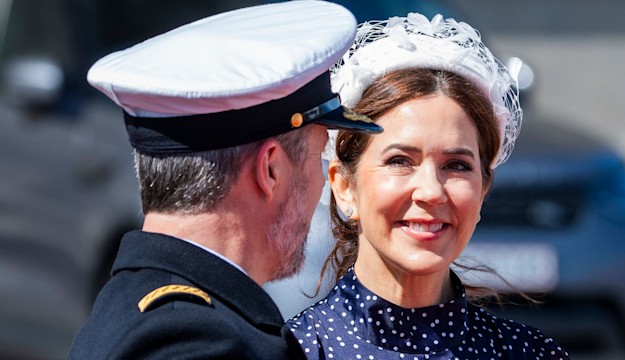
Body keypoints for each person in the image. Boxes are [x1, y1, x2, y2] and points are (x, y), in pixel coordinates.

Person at [67, 1, 383, 359]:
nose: (320, 183)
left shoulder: (139, 305)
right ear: (270, 169)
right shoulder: (203, 343)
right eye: (317, 157)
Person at [286, 13, 571, 359]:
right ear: (344, 186)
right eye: (400, 161)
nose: (431, 191)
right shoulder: (294, 351)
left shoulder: (528, 354)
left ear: (482, 190)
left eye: (457, 165)